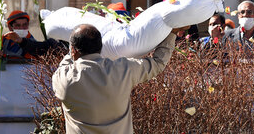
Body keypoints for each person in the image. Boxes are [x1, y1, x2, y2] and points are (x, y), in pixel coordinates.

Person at [52, 24, 189, 133]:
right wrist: (172, 32)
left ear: (73, 50)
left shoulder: (63, 78)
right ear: (100, 47)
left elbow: (66, 62)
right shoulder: (123, 69)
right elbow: (158, 63)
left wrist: (73, 51)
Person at [0, 10, 67, 65]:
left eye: (24, 25)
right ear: (10, 27)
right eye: (18, 25)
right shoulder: (4, 39)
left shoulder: (32, 42)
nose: (22, 28)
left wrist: (21, 41)